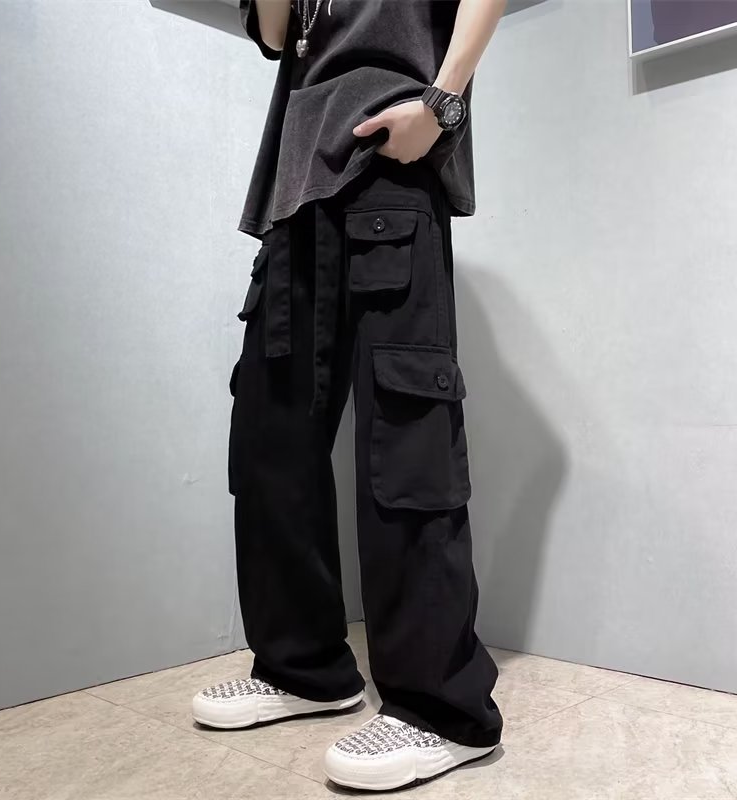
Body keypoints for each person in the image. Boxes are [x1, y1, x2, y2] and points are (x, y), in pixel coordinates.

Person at [193, 0, 506, 790]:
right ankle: (304, 669)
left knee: (407, 444)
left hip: (389, 171)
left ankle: (443, 710)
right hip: (294, 189)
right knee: (270, 439)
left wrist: (442, 102)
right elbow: (276, 33)